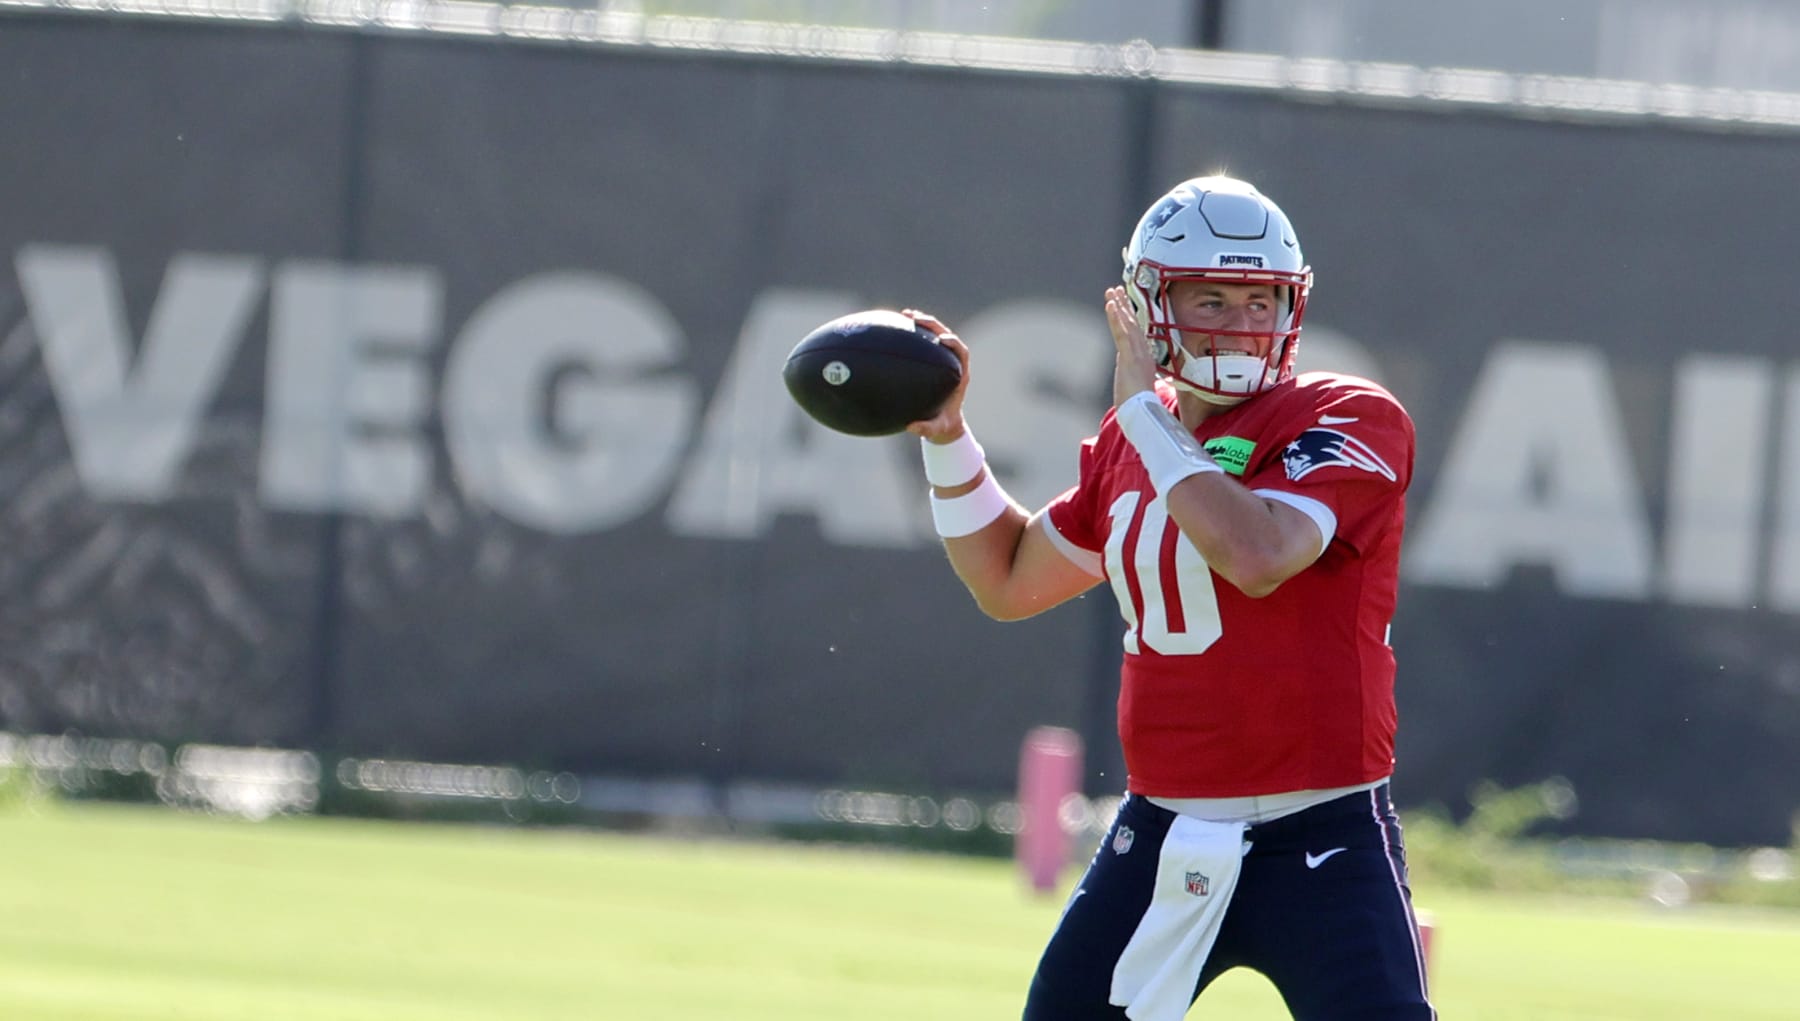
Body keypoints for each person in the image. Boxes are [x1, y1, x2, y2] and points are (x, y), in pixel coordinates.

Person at [904, 175, 1434, 1020]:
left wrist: (1147, 422)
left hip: (1324, 831)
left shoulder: (1343, 413)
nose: (1241, 322)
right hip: (1161, 832)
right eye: (1211, 298)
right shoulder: (1133, 440)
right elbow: (1007, 577)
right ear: (1148, 303)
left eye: (1260, 300)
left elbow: (1258, 552)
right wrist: (946, 437)